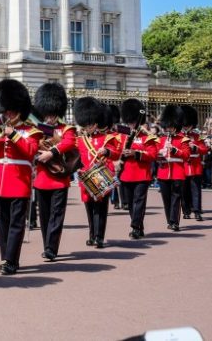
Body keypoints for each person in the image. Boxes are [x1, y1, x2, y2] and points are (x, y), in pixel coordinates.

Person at [0, 79, 40, 276]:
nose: (7, 114)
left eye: (11, 111)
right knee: (2, 224)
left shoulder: (31, 131)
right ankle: (6, 257)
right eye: (6, 111)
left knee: (16, 224)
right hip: (0, 182)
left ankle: (10, 259)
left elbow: (31, 150)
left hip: (19, 182)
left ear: (19, 110)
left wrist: (13, 134)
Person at [31, 82, 77, 261]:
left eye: (52, 114)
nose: (49, 118)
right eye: (47, 114)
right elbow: (32, 145)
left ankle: (51, 248)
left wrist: (52, 152)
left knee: (56, 215)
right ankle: (46, 244)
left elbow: (69, 143)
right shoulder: (38, 130)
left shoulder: (66, 129)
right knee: (44, 216)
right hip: (42, 178)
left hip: (59, 179)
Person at [74, 97, 122, 248]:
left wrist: (107, 151)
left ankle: (99, 236)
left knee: (101, 209)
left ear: (95, 123)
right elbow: (76, 158)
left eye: (90, 124)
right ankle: (91, 234)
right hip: (87, 176)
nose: (87, 127)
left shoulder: (107, 138)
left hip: (101, 175)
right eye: (85, 125)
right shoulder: (80, 140)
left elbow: (116, 153)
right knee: (89, 208)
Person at [116, 98, 157, 240]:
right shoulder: (122, 135)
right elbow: (116, 151)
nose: (131, 124)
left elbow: (152, 155)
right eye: (130, 122)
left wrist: (136, 153)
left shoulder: (147, 137)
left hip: (141, 174)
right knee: (130, 202)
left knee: (139, 201)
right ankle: (139, 227)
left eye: (133, 122)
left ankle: (134, 226)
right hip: (126, 174)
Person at [156, 105, 190, 231]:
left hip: (177, 172)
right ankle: (169, 220)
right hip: (163, 172)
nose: (168, 129)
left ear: (176, 126)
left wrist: (175, 150)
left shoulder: (183, 140)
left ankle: (174, 222)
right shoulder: (161, 139)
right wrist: (159, 155)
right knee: (166, 199)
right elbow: (156, 155)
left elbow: (186, 155)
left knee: (176, 198)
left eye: (170, 126)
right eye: (167, 126)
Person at [181, 105, 205, 222]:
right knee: (184, 191)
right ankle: (186, 211)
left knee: (196, 190)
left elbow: (204, 149)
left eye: (188, 125)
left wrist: (195, 147)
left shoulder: (197, 136)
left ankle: (197, 211)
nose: (186, 127)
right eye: (185, 125)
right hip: (183, 166)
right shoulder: (179, 137)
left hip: (195, 166)